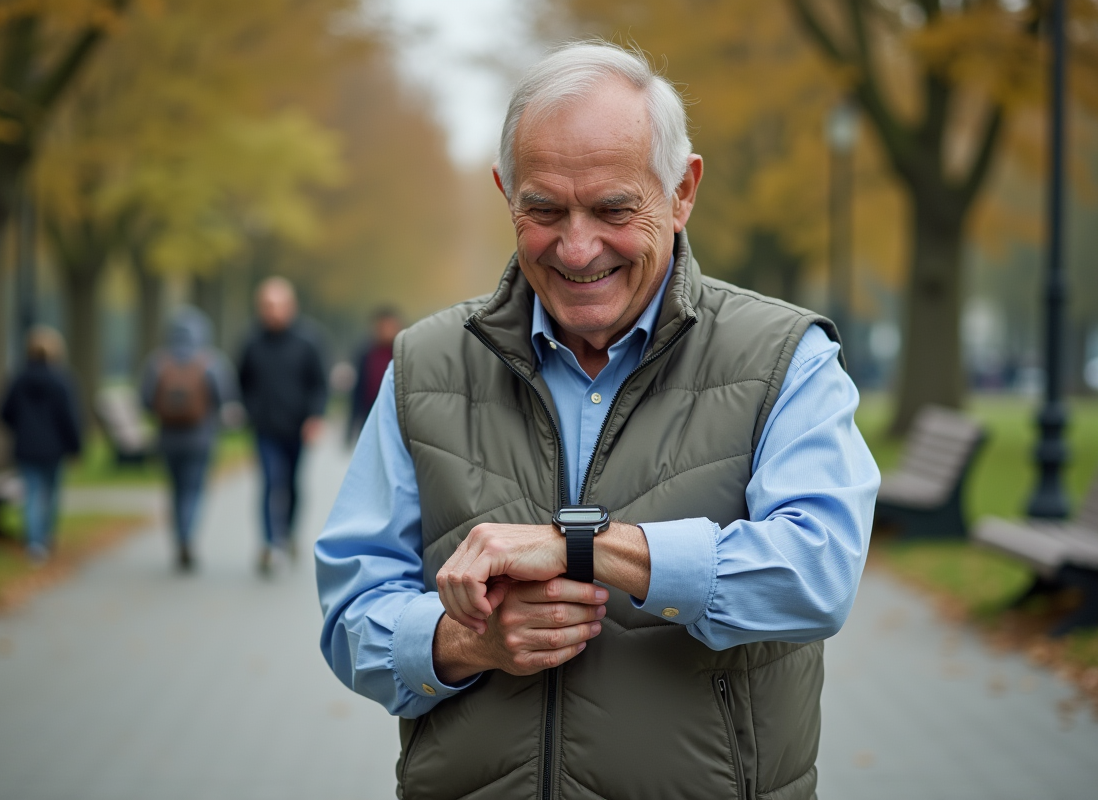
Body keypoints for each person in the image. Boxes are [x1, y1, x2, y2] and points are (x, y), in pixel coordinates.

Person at [317, 42, 880, 800]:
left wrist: (579, 547)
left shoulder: (787, 357)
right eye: (543, 210)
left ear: (682, 191)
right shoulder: (425, 365)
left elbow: (816, 572)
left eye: (614, 209)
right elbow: (352, 611)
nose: (577, 248)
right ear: (505, 195)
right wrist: (464, 641)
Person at [238, 277, 328, 574]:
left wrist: (315, 417)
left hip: (297, 428)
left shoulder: (308, 340)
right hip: (265, 429)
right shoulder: (251, 342)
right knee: (269, 482)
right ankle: (268, 543)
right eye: (267, 305)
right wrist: (250, 411)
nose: (273, 311)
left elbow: (319, 384)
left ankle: (287, 532)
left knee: (291, 485)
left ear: (291, 307)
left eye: (278, 305)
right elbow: (242, 382)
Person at [141, 306, 234, 572]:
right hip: (200, 438)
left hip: (168, 439)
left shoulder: (158, 361)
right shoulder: (211, 361)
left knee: (175, 490)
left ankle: (178, 537)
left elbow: (146, 400)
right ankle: (188, 537)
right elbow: (224, 398)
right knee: (194, 490)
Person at [0, 326, 82, 563]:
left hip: (26, 447)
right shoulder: (62, 380)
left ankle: (34, 542)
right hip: (54, 449)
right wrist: (75, 447)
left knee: (32, 494)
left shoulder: (18, 379)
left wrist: (21, 428)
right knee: (52, 493)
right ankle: (46, 536)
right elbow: (69, 418)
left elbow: (3, 412)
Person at [347, 307, 403, 445]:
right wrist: (350, 426)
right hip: (370, 414)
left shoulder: (403, 352)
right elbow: (358, 390)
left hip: (397, 416)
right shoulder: (366, 353)